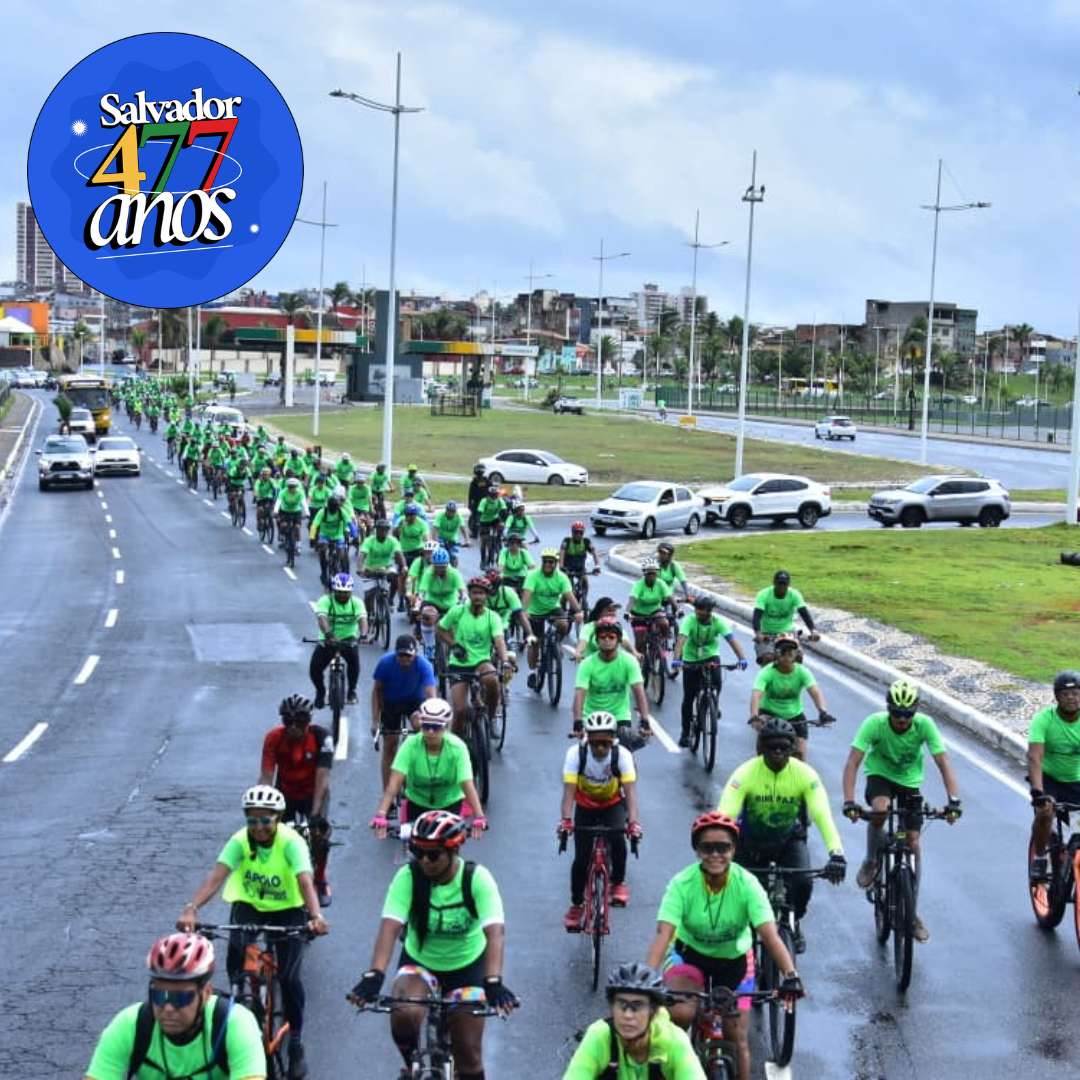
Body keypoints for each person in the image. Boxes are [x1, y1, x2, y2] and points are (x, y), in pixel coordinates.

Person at [348, 810, 519, 1080]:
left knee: (470, 1057)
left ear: (453, 851)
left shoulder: (477, 878)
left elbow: (495, 933)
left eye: (433, 854)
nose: (424, 860)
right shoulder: (409, 877)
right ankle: (411, 1065)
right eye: (417, 851)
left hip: (468, 965)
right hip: (421, 962)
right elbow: (389, 928)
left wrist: (494, 982)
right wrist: (374, 975)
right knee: (403, 1013)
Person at [177, 786, 329, 1080]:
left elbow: (306, 882)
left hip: (288, 907)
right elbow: (216, 876)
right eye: (253, 820)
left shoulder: (291, 842)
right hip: (250, 904)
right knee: (237, 953)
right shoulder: (239, 840)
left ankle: (296, 1042)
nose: (259, 828)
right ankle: (242, 994)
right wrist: (191, 908)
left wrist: (316, 916)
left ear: (278, 818)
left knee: (289, 977)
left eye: (265, 820)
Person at [644, 812, 803, 1080]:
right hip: (689, 958)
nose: (715, 854)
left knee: (736, 1036)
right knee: (680, 1014)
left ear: (734, 849)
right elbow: (664, 934)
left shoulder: (748, 884)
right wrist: (646, 976)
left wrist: (791, 976)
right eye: (707, 847)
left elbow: (770, 934)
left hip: (735, 962)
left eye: (724, 847)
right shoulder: (682, 884)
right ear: (697, 850)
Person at [841, 679, 963, 944]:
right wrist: (849, 801)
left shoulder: (925, 726)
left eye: (907, 714)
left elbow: (943, 762)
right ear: (888, 709)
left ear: (915, 712)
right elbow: (853, 762)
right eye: (896, 713)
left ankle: (912, 911)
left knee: (912, 841)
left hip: (909, 781)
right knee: (880, 810)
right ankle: (872, 860)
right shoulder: (874, 723)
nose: (901, 719)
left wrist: (954, 801)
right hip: (880, 775)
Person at [718, 719, 847, 954]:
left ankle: (793, 919)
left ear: (793, 749)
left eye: (783, 747)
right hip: (750, 843)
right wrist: (718, 846)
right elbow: (725, 813)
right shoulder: (745, 773)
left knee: (803, 883)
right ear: (760, 748)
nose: (778, 752)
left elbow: (822, 814)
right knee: (739, 897)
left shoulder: (805, 774)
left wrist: (836, 852)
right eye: (771, 747)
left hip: (788, 841)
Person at [85, 932, 266, 1080]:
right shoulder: (129, 1024)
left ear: (206, 993)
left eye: (181, 997)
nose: (168, 1008)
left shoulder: (235, 1023)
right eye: (159, 995)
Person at [559, 710, 642, 929]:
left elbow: (631, 794)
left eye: (605, 743)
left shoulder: (622, 755)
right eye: (595, 743)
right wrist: (566, 820)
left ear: (613, 740)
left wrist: (633, 823)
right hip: (585, 805)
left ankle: (618, 882)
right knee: (580, 860)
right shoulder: (575, 754)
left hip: (612, 804)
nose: (599, 749)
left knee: (619, 843)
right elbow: (568, 792)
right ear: (587, 739)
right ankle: (577, 905)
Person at [562, 963, 705, 1080]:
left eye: (638, 1006)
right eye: (621, 1004)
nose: (628, 1015)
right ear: (611, 1008)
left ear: (653, 1011)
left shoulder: (674, 1041)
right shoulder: (599, 1035)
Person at [259, 694, 335, 907]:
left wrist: (315, 814)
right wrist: (261, 808)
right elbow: (266, 776)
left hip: (314, 792)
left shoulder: (322, 738)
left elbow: (322, 777)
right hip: (285, 793)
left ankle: (319, 879)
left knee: (319, 832)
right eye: (287, 722)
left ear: (308, 721)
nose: (293, 727)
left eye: (299, 722)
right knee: (270, 835)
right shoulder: (273, 737)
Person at [370, 698, 486, 834]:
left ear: (446, 727)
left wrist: (479, 816)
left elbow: (467, 784)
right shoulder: (410, 744)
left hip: (450, 805)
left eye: (436, 727)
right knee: (414, 849)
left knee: (448, 851)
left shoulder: (458, 747)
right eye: (426, 726)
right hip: (416, 805)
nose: (430, 732)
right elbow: (394, 784)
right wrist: (381, 813)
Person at [671, 596, 748, 748]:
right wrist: (677, 659)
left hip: (710, 656)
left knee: (717, 681)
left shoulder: (718, 623)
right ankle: (685, 732)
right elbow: (681, 640)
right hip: (691, 659)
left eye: (701, 609)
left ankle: (714, 703)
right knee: (689, 697)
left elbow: (732, 641)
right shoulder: (690, 621)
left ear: (709, 611)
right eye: (697, 608)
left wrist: (742, 659)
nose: (698, 611)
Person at [438, 577, 510, 737]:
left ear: (487, 596)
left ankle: (490, 719)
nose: (478, 596)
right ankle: (455, 745)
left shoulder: (493, 617)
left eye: (482, 593)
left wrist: (505, 661)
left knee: (493, 681)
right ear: (469, 594)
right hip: (459, 664)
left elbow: (499, 640)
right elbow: (440, 630)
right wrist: (453, 645)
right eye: (475, 592)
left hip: (481, 662)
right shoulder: (457, 611)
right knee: (460, 711)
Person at [749, 633, 835, 760]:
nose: (787, 656)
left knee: (800, 756)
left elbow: (815, 692)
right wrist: (754, 716)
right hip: (769, 714)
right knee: (762, 752)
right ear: (776, 654)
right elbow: (756, 695)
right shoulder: (766, 672)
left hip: (795, 716)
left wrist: (823, 712)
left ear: (796, 654)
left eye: (791, 652)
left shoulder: (803, 672)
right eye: (783, 652)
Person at [1029, 671, 1080, 882]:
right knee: (1045, 813)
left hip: (1076, 780)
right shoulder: (1044, 719)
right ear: (1057, 697)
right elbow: (1034, 757)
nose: (1071, 697)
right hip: (1050, 779)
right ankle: (1040, 858)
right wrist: (1039, 793)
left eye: (1076, 693)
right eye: (1065, 693)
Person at [371, 635, 438, 794]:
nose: (404, 659)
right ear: (395, 654)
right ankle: (388, 792)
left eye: (408, 655)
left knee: (419, 724)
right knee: (390, 744)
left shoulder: (424, 666)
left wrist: (431, 721)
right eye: (401, 655)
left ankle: (419, 764)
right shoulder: (385, 663)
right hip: (391, 702)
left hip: (414, 701)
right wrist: (375, 721)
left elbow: (431, 695)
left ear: (415, 653)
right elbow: (377, 691)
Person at [573, 618, 653, 744]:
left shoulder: (629, 661)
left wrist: (645, 720)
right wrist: (577, 722)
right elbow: (579, 694)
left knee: (626, 756)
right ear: (597, 640)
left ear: (618, 640)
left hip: (619, 716)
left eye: (611, 636)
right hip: (592, 716)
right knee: (585, 754)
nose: (607, 640)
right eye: (603, 637)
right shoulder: (587, 664)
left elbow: (639, 691)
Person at [523, 547, 584, 688]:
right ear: (542, 562)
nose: (548, 564)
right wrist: (524, 611)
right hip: (535, 611)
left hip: (553, 609)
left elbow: (570, 597)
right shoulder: (533, 576)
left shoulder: (561, 578)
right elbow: (526, 596)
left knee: (564, 624)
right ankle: (532, 672)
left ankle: (556, 644)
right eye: (546, 561)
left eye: (551, 562)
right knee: (534, 643)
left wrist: (578, 611)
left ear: (556, 563)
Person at [309, 572, 367, 709]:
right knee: (314, 668)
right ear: (334, 590)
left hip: (348, 638)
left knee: (354, 661)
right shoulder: (326, 600)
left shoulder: (356, 603)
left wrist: (363, 634)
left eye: (346, 592)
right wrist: (328, 634)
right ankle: (320, 692)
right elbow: (322, 618)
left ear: (351, 591)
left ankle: (351, 691)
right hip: (328, 637)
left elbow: (362, 620)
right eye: (339, 592)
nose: (342, 595)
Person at [751, 570, 819, 665]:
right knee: (768, 658)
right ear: (774, 583)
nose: (782, 587)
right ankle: (766, 678)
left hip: (787, 634)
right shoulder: (764, 594)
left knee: (798, 657)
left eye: (784, 584)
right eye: (779, 584)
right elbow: (756, 616)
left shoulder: (794, 595)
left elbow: (804, 613)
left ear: (788, 584)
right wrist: (758, 633)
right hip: (767, 635)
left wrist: (813, 631)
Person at [627, 559, 677, 658]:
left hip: (655, 611)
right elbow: (632, 599)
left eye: (654, 573)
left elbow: (670, 597)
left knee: (664, 623)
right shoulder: (639, 585)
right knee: (639, 643)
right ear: (644, 574)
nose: (652, 576)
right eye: (649, 573)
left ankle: (662, 644)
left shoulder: (661, 583)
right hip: (638, 614)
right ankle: (641, 663)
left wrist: (677, 609)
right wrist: (627, 612)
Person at [357, 518, 408, 609]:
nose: (383, 531)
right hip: (370, 568)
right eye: (380, 529)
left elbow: (399, 554)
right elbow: (362, 555)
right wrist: (360, 568)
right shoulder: (369, 541)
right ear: (376, 530)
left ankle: (390, 599)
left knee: (395, 576)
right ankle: (370, 616)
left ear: (388, 530)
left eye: (385, 529)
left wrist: (404, 566)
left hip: (386, 567)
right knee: (368, 596)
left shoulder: (392, 540)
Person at [574, 597, 638, 663]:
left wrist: (634, 653)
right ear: (599, 613)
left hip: (612, 664)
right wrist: (578, 652)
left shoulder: (617, 628)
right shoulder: (589, 627)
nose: (613, 613)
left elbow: (625, 641)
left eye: (614, 611)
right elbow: (583, 641)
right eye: (609, 610)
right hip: (592, 665)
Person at [559, 520, 601, 606]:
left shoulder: (586, 542)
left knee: (586, 584)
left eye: (580, 532)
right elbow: (562, 553)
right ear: (572, 532)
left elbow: (594, 553)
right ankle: (562, 605)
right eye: (576, 532)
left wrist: (597, 566)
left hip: (580, 569)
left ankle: (583, 602)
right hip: (568, 569)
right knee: (568, 590)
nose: (578, 535)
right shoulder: (567, 541)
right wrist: (561, 566)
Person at [466, 463, 488, 538]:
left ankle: (475, 533)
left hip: (477, 502)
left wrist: (469, 503)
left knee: (475, 516)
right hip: (486, 502)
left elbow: (471, 493)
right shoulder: (487, 480)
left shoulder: (474, 481)